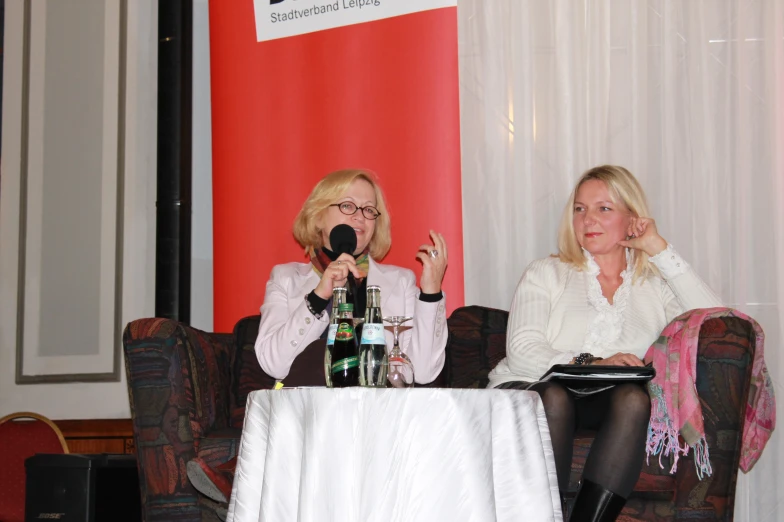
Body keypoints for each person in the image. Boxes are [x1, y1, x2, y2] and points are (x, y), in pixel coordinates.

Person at [488, 165, 722, 521]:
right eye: (580, 209)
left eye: (604, 208)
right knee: (554, 397)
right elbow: (522, 352)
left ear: (633, 219)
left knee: (632, 399)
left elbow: (716, 323)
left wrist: (658, 248)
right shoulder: (545, 272)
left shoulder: (654, 285)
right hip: (532, 387)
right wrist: (593, 362)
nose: (587, 219)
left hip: (606, 398)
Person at [254, 168, 449, 384]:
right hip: (313, 411)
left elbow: (422, 373)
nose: (359, 216)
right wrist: (319, 297)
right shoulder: (285, 278)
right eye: (347, 206)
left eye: (369, 210)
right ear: (318, 216)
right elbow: (274, 365)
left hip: (380, 411)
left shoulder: (401, 282)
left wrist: (431, 293)